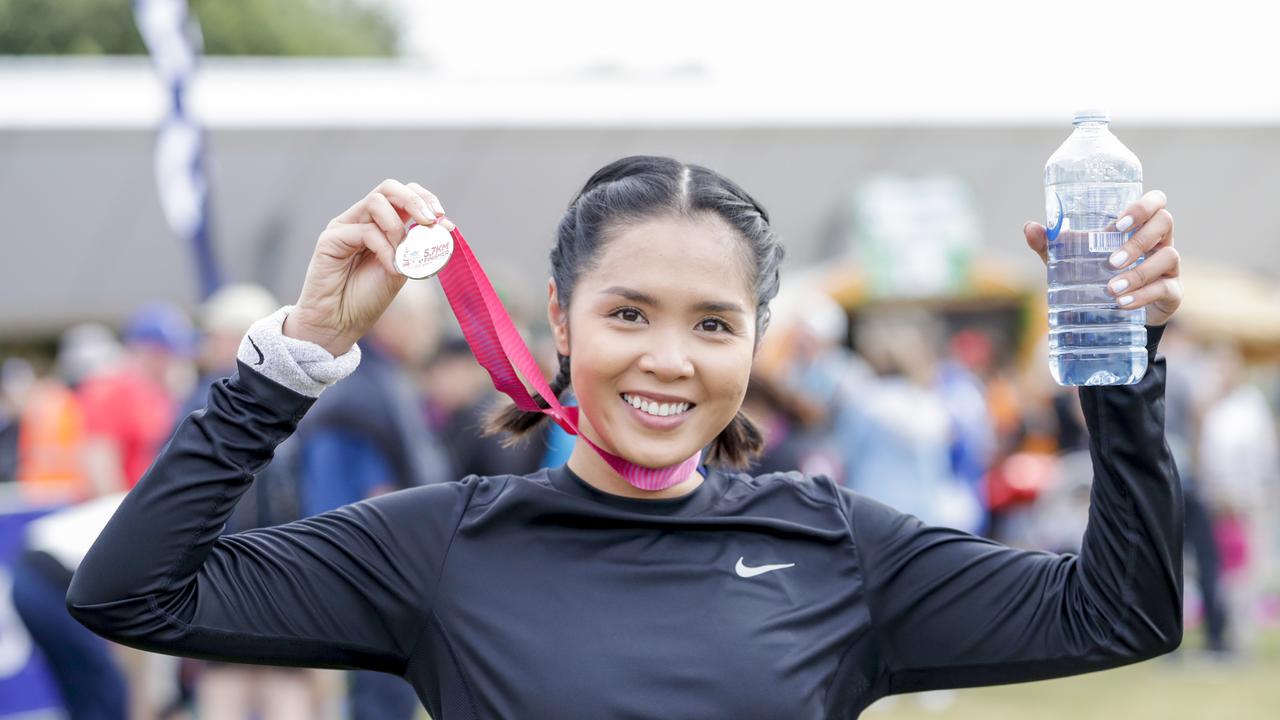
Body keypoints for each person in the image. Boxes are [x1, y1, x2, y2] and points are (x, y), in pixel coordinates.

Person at [67, 158, 1185, 718]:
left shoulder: (837, 550)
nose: (667, 359)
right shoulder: (445, 547)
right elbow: (131, 594)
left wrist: (1117, 372)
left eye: (712, 324)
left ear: (756, 342)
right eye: (627, 313)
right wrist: (297, 351)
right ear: (560, 318)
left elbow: (1119, 613)